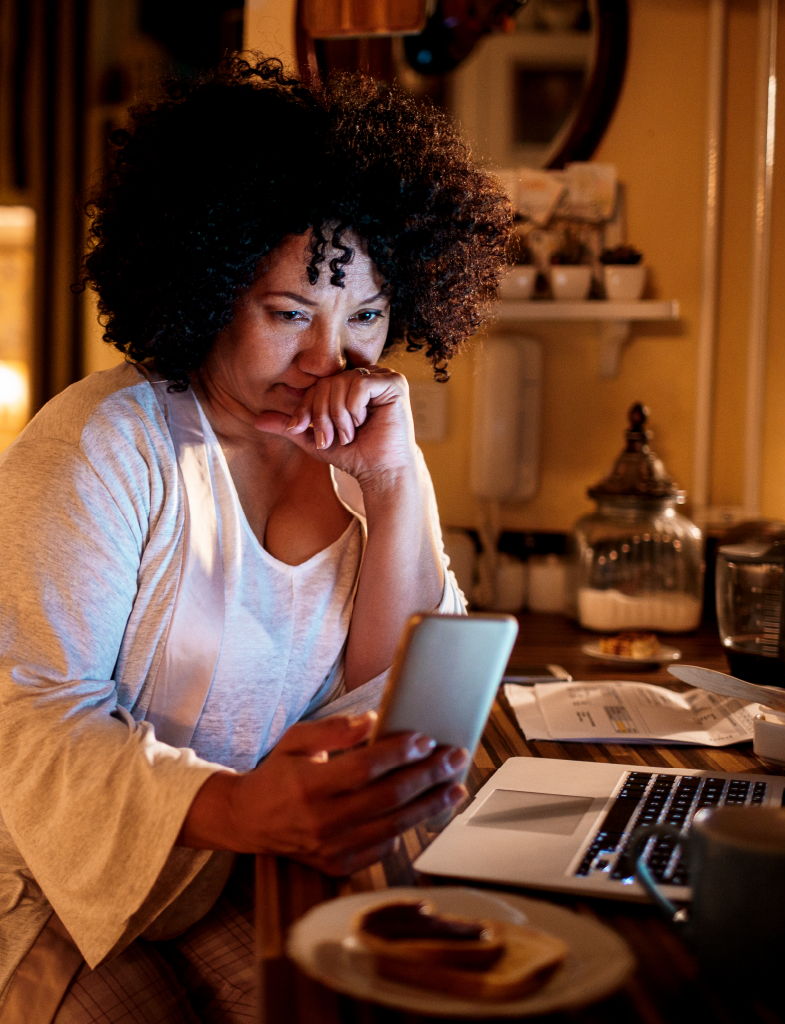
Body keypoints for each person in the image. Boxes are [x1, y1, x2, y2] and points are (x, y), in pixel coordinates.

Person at [0, 55, 512, 1022]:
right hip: (55, 896)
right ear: (208, 287)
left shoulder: (369, 446)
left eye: (366, 315)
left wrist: (396, 484)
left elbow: (400, 689)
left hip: (252, 870)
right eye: (288, 315)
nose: (332, 359)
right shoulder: (100, 450)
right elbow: (28, 723)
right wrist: (237, 809)